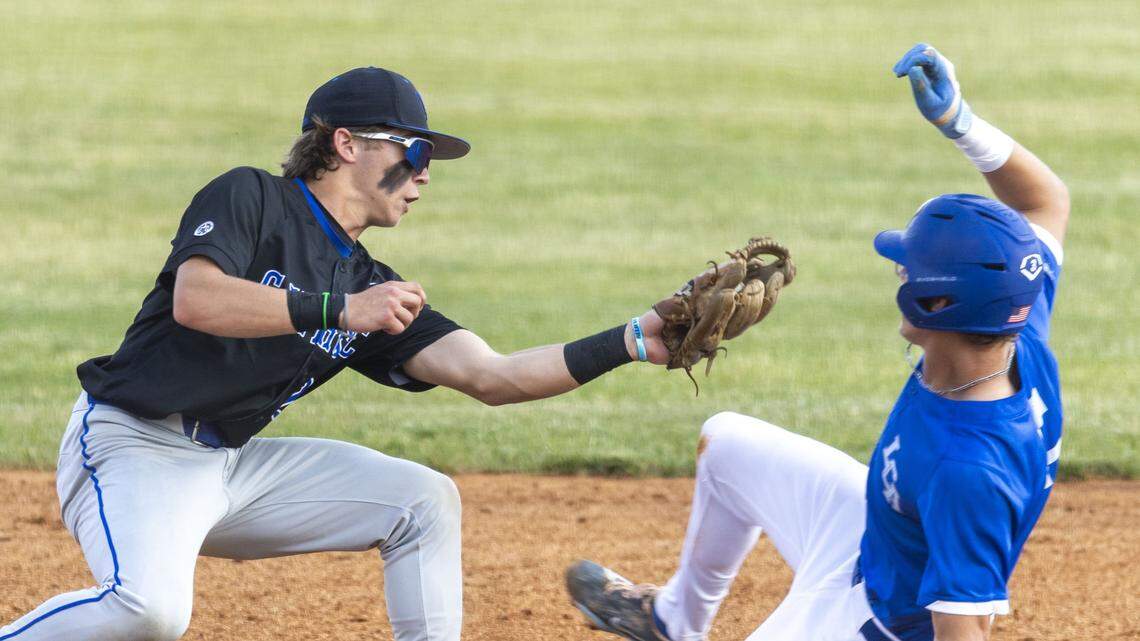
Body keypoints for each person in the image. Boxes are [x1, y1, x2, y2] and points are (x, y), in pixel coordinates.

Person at [1, 66, 672, 641]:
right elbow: (197, 299)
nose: (425, 175)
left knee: (424, 499)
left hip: (231, 468)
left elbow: (492, 375)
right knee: (149, 610)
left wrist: (632, 338)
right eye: (415, 151)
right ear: (345, 143)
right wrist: (339, 311)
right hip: (132, 446)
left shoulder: (369, 285)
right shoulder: (252, 198)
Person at [566, 43, 1068, 641]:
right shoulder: (1012, 327)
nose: (898, 271)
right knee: (726, 445)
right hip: (873, 537)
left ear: (937, 303)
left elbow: (959, 629)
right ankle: (673, 620)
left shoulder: (967, 469)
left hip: (878, 623)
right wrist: (958, 121)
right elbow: (1045, 202)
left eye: (908, 266)